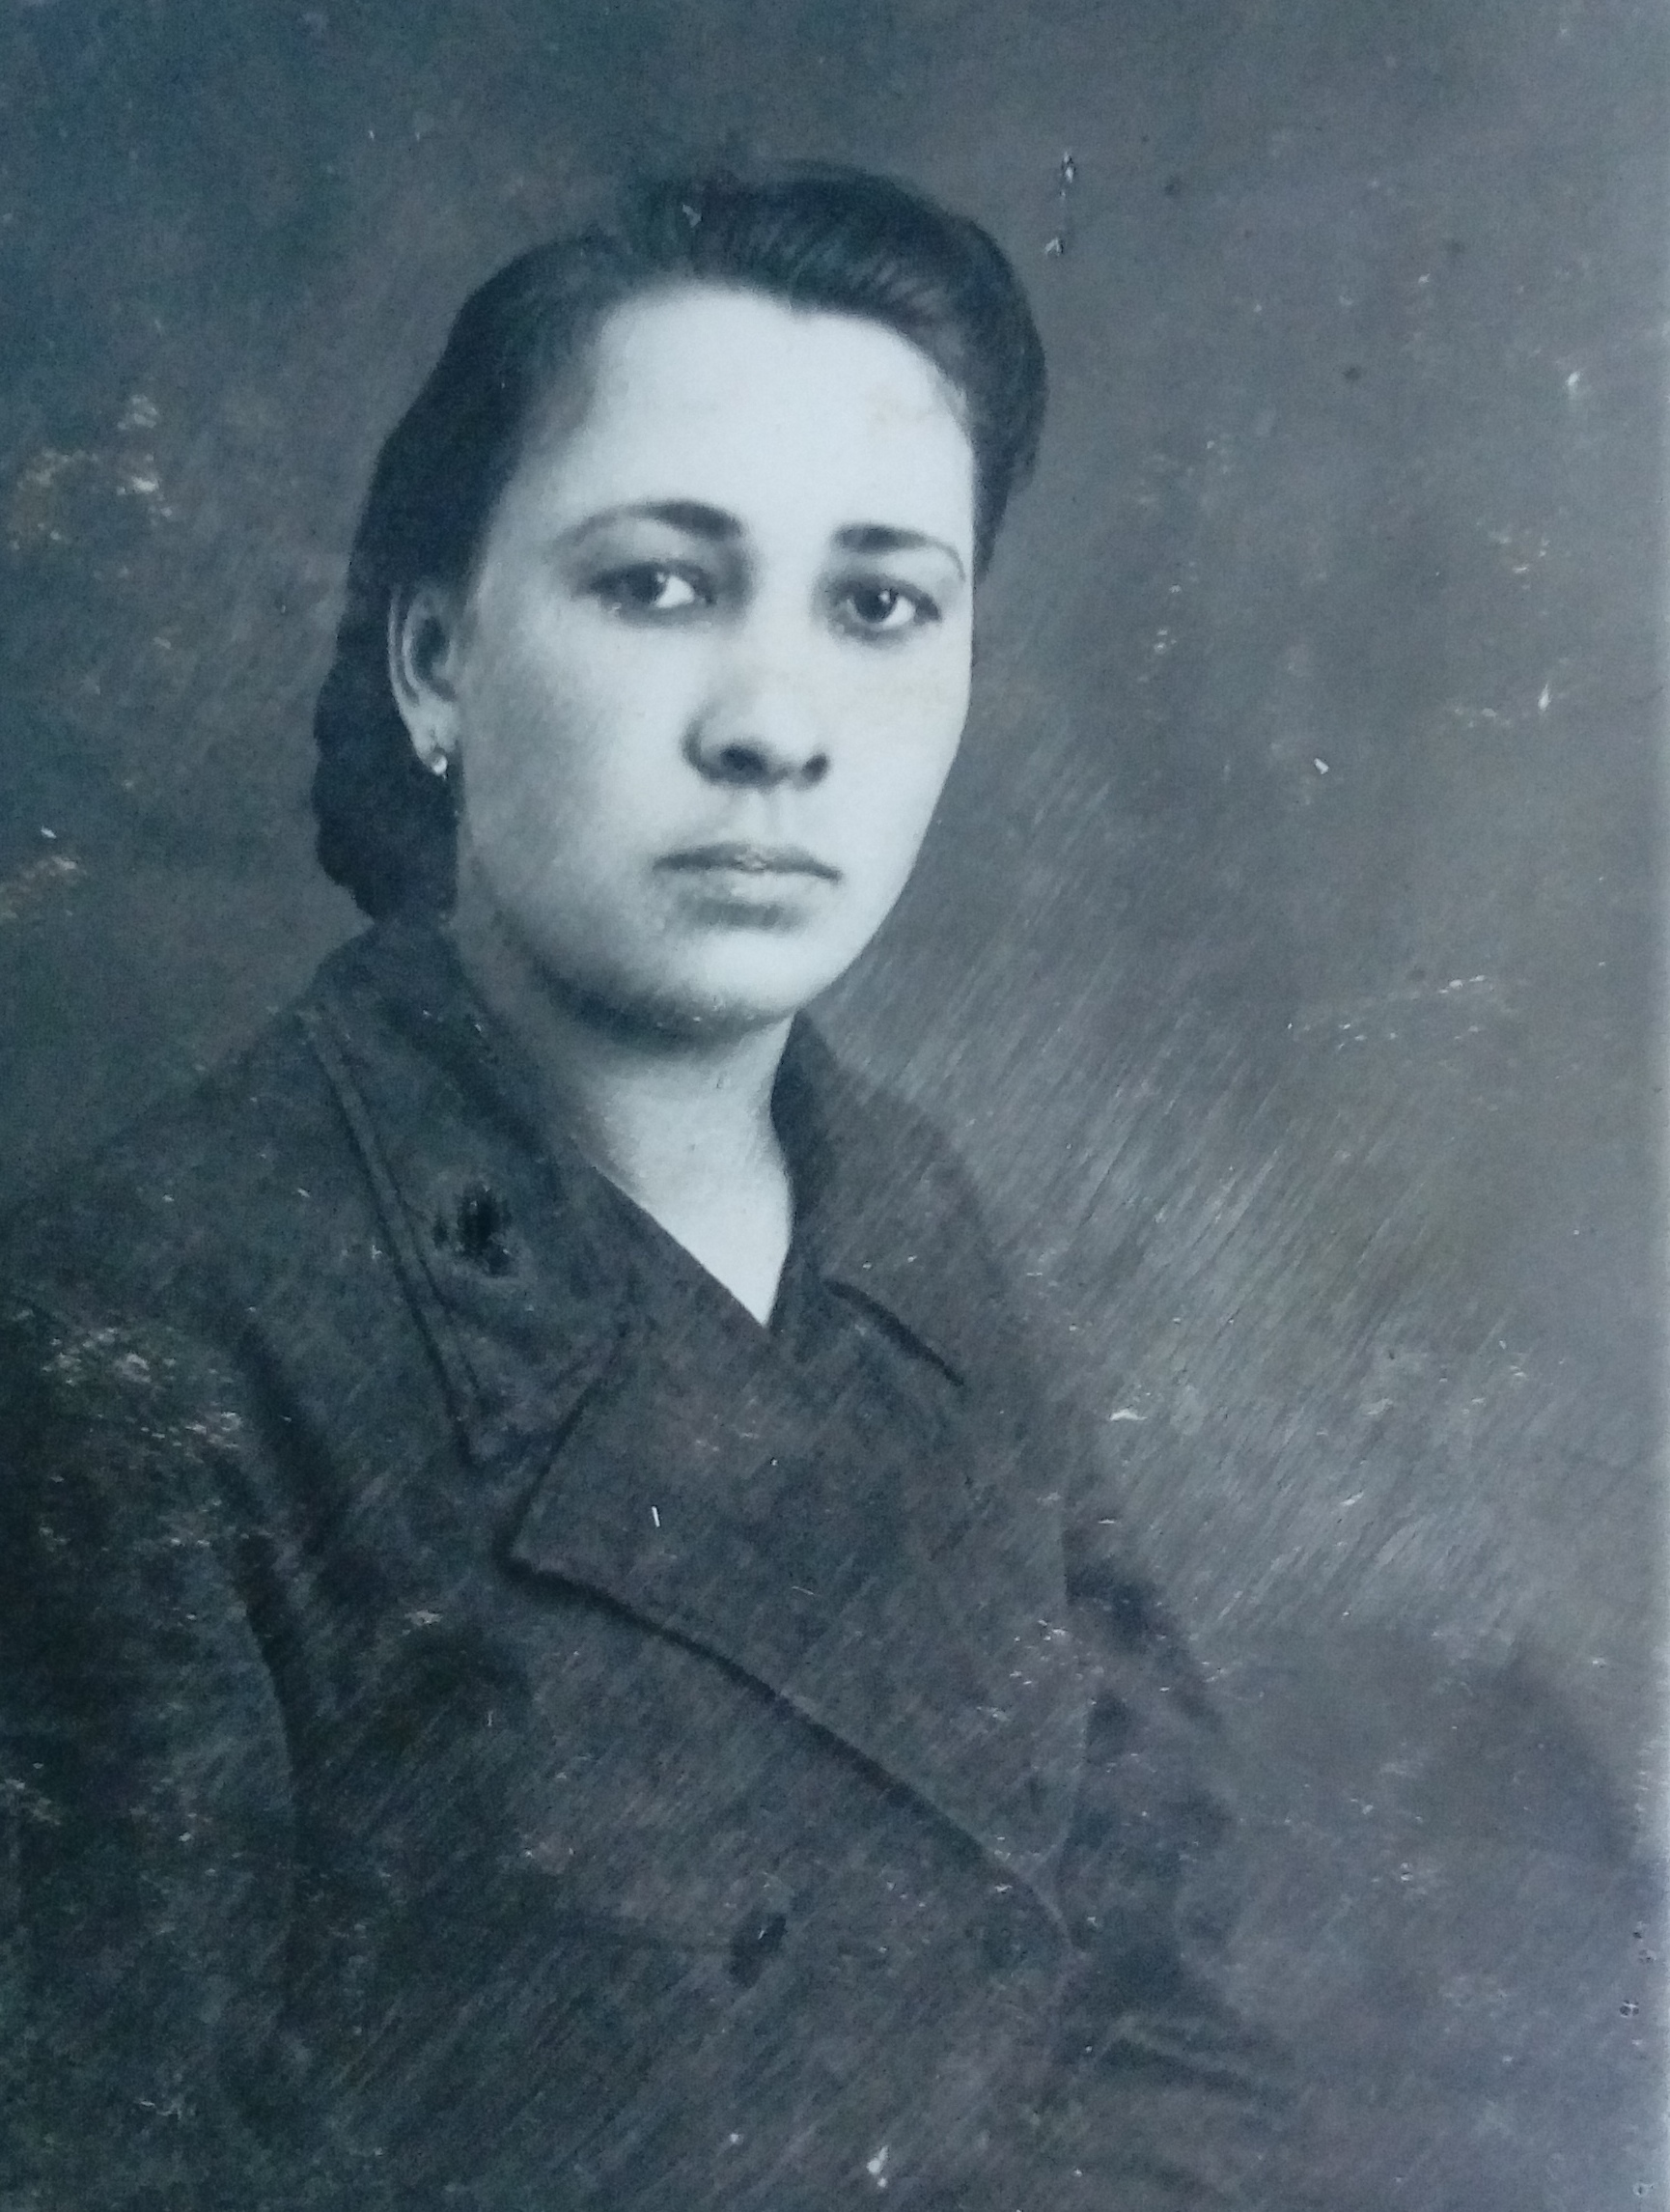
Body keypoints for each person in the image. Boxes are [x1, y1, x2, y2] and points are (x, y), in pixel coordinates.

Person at [0, 166, 1287, 2210]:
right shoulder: (142, 1338)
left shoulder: (909, 1220)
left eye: (879, 605)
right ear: (438, 659)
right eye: (661, 585)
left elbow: (1163, 2012)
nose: (773, 728)